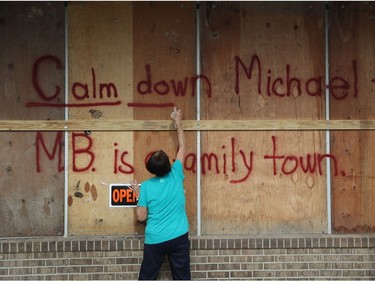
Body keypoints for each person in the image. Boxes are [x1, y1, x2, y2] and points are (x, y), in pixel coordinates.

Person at [131, 107, 191, 280]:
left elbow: (141, 217)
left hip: (155, 239)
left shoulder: (147, 187)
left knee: (147, 277)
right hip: (179, 236)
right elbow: (182, 146)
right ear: (168, 165)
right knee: (182, 278)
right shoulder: (176, 173)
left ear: (151, 170)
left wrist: (137, 194)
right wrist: (178, 123)